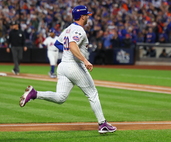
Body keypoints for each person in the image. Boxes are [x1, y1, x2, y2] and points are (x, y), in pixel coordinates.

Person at [19, 5, 117, 134]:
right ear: (82, 16)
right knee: (92, 94)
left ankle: (35, 94)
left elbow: (59, 43)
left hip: (63, 66)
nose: (88, 17)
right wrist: (84, 60)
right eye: (86, 15)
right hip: (74, 66)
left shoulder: (68, 29)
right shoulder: (79, 30)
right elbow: (71, 45)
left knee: (61, 97)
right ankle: (102, 124)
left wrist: (68, 52)